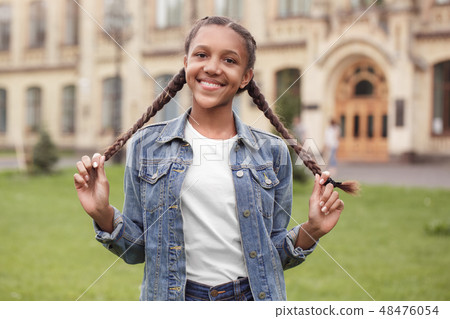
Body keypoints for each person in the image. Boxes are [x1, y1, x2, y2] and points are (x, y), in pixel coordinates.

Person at [74, 16, 353, 301]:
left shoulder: (273, 152)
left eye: (229, 60)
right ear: (186, 64)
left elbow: (272, 255)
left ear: (246, 77)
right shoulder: (147, 146)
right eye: (202, 54)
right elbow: (137, 251)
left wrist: (312, 230)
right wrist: (102, 213)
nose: (212, 67)